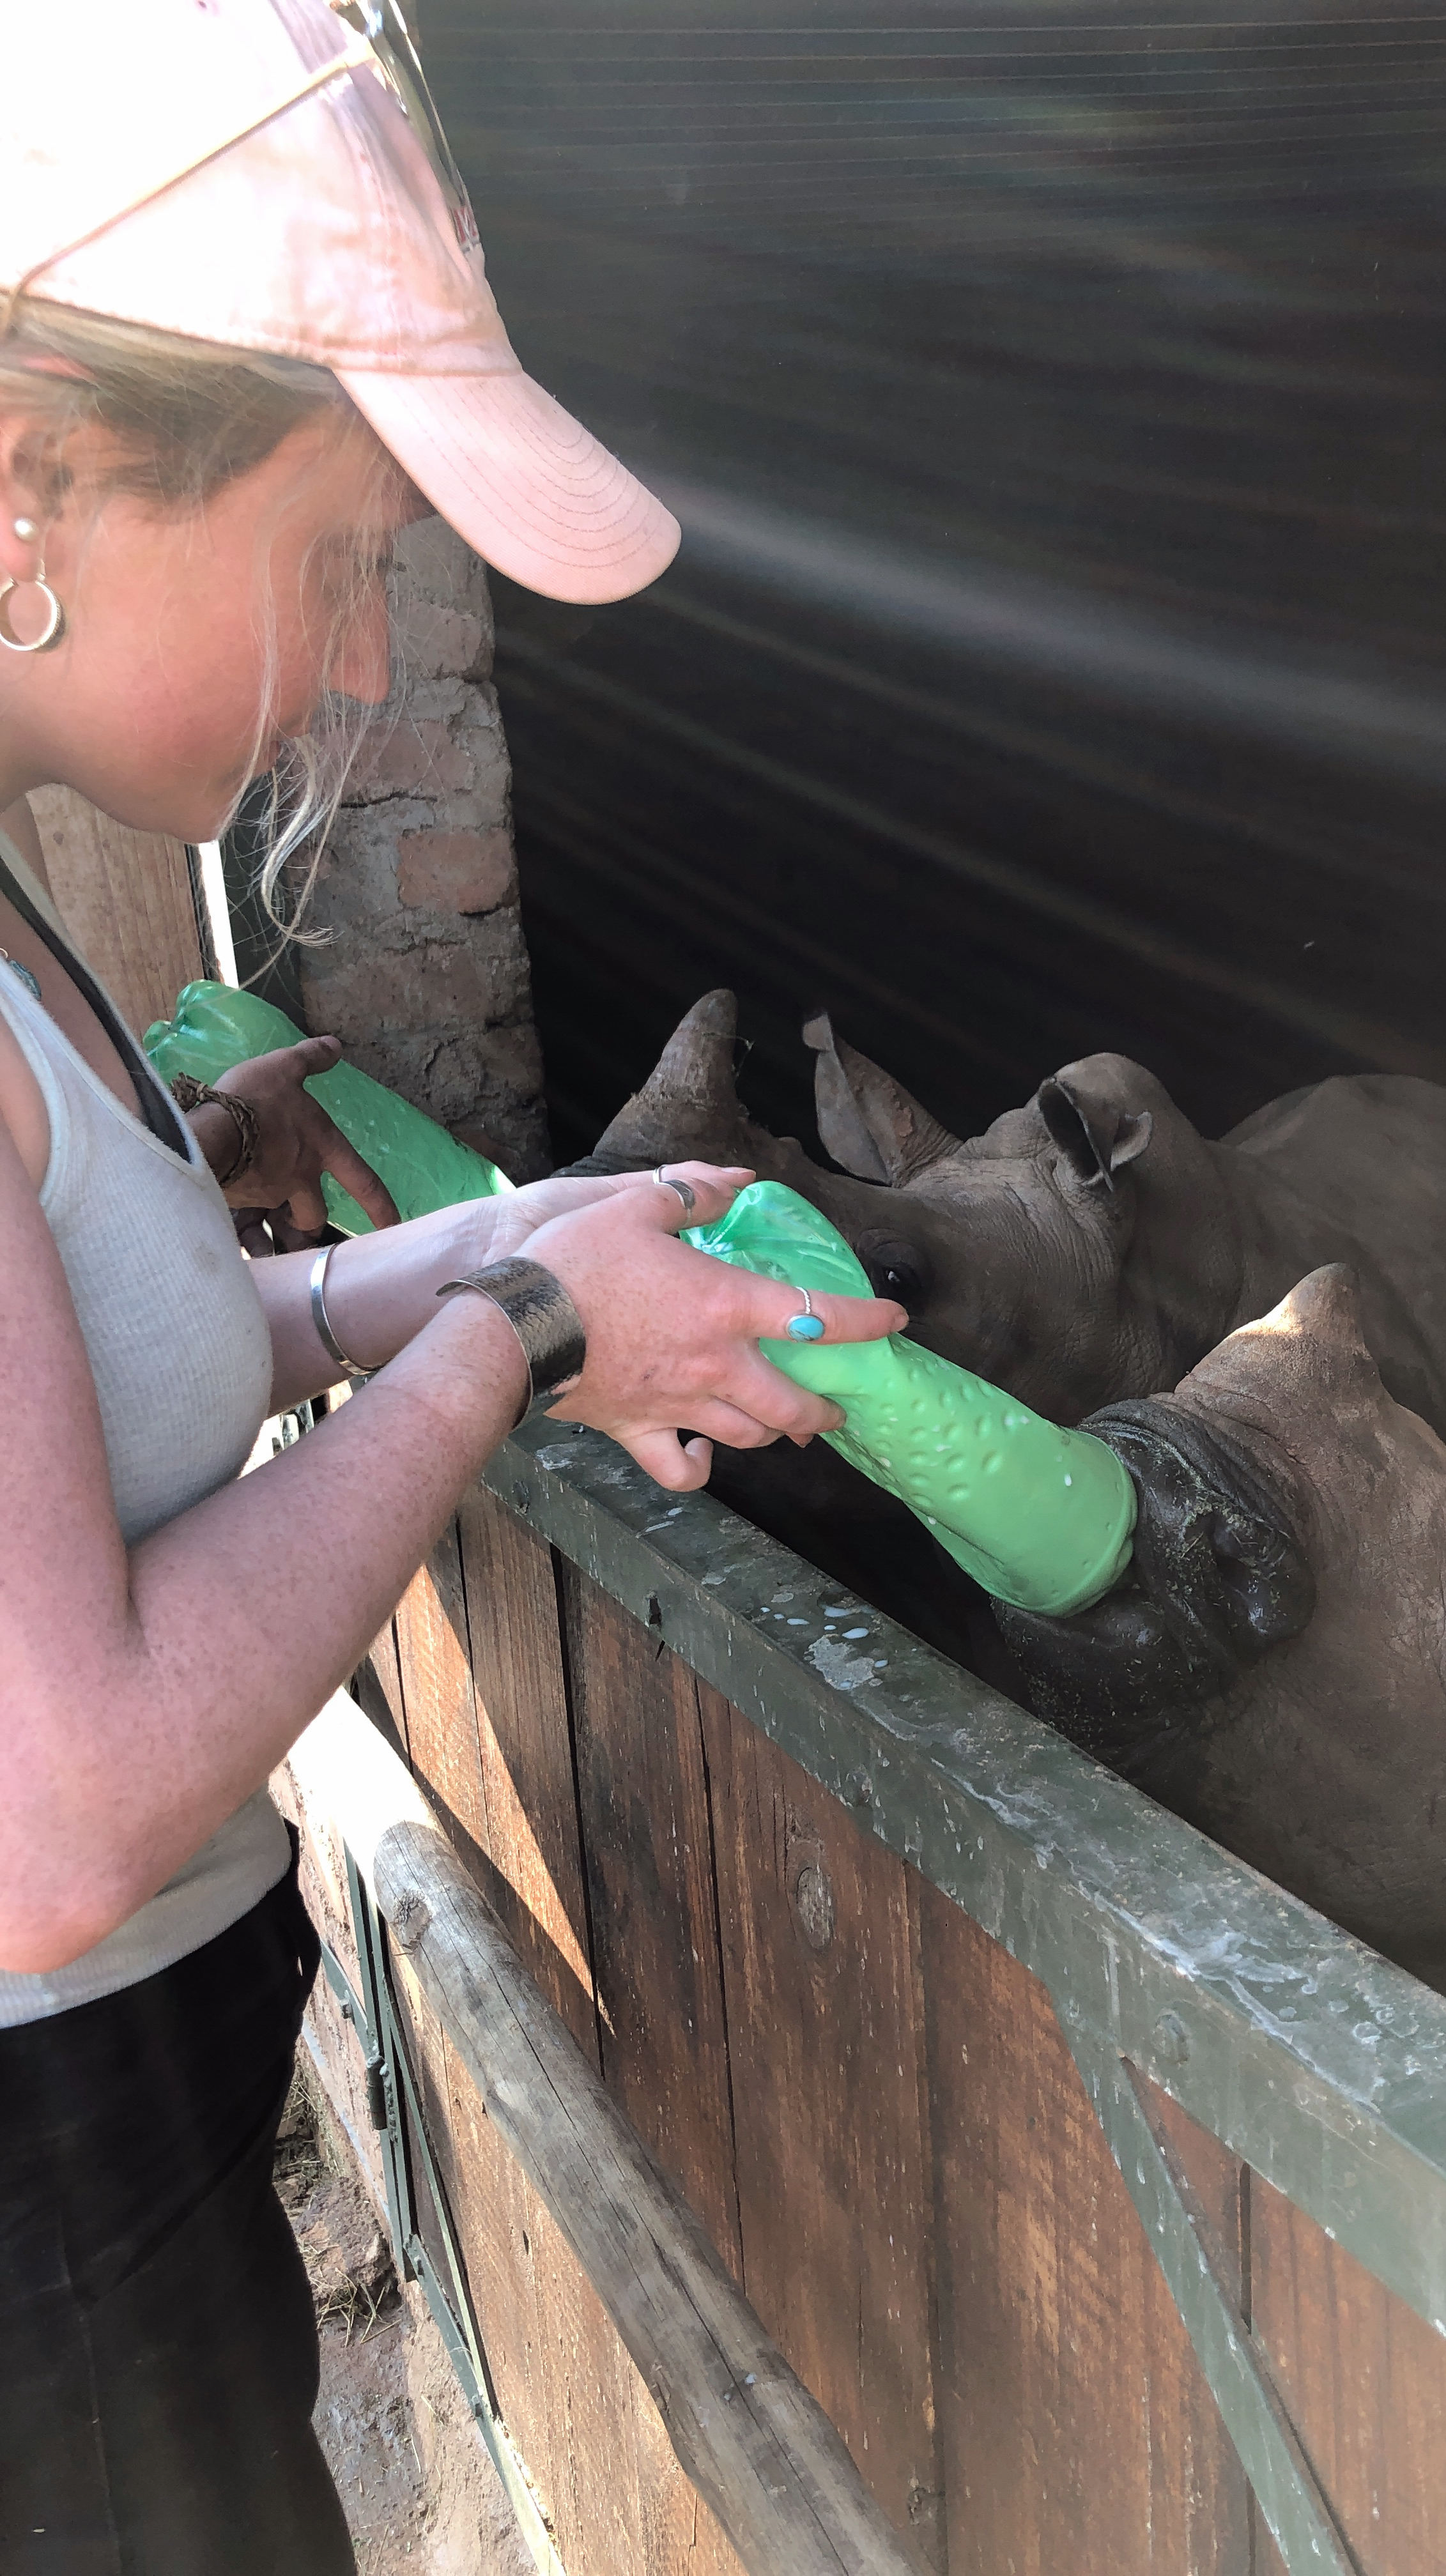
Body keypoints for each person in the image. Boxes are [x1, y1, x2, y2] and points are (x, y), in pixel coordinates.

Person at [0, 4, 905, 2566]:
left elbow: (172, 1360)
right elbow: (51, 1818)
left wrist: (494, 1245)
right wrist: (523, 1346)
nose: (378, 662)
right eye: (330, 557)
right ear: (24, 491)